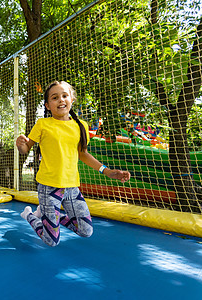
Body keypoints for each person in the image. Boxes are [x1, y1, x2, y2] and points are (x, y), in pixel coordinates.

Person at [16, 81, 130, 246]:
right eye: (55, 98)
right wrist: (21, 144)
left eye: (64, 96)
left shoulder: (81, 126)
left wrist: (107, 171)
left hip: (71, 187)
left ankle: (50, 215)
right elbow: (26, 148)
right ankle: (29, 215)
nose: (61, 100)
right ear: (48, 105)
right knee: (51, 241)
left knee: (86, 230)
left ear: (71, 99)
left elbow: (83, 154)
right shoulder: (43, 124)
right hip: (49, 187)